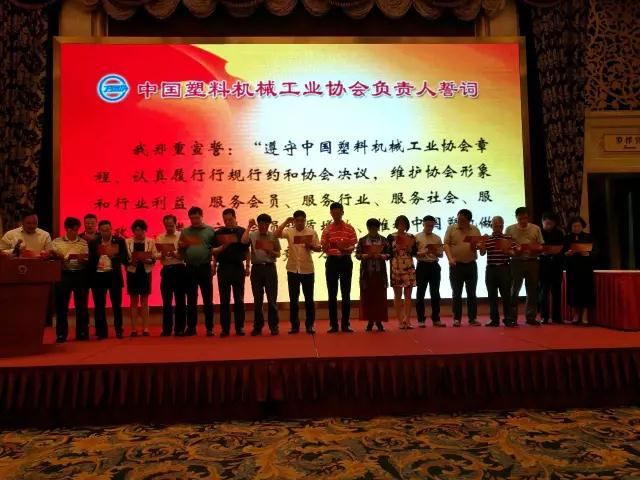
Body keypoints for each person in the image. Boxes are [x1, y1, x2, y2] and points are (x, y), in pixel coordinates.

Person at [275, 210, 321, 334]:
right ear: (294, 221)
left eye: (302, 220)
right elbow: (276, 234)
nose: (300, 223)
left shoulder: (311, 232)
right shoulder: (289, 231)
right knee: (293, 299)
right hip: (292, 269)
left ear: (305, 220)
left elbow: (319, 248)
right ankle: (294, 326)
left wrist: (311, 246)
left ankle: (310, 325)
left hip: (307, 270)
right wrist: (286, 221)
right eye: (297, 220)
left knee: (309, 299)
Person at [321, 202, 358, 333]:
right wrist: (326, 246)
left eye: (338, 212)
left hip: (345, 260)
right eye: (334, 212)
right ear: (331, 213)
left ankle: (345, 324)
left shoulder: (349, 228)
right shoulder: (327, 229)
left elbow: (353, 245)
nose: (336, 214)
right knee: (332, 294)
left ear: (342, 212)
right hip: (332, 261)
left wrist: (345, 249)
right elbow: (323, 247)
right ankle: (333, 325)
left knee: (346, 293)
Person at [242, 214, 281, 336]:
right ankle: (258, 326)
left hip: (270, 268)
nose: (263, 226)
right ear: (258, 224)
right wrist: (249, 227)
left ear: (269, 224)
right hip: (257, 269)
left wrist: (271, 251)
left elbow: (278, 254)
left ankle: (273, 326)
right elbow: (243, 241)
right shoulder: (253, 235)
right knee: (257, 300)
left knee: (272, 299)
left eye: (265, 224)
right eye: (261, 224)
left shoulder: (273, 236)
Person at [51, 217, 90, 343]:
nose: (75, 232)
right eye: (73, 230)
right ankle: (61, 334)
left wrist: (83, 259)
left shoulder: (83, 242)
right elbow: (52, 257)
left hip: (80, 274)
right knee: (62, 305)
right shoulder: (56, 242)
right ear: (66, 229)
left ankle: (82, 332)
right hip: (63, 274)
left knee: (81, 305)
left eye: (77, 230)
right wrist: (60, 258)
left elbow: (87, 258)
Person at [212, 208, 250, 337]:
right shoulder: (219, 233)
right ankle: (225, 328)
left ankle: (240, 327)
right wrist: (214, 266)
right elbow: (214, 252)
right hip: (223, 268)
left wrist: (248, 267)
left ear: (235, 218)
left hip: (238, 267)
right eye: (225, 220)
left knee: (239, 299)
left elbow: (246, 250)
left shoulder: (241, 231)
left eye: (230, 219)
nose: (228, 222)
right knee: (224, 300)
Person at [179, 207, 216, 336]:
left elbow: (214, 250)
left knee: (208, 298)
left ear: (201, 216)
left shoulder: (210, 230)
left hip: (205, 267)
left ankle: (209, 328)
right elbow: (181, 251)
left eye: (196, 217)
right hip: (190, 268)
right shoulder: (185, 232)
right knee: (191, 299)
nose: (194, 220)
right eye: (192, 218)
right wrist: (181, 247)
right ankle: (191, 327)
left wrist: (214, 265)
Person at [88, 219, 127, 339]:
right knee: (99, 305)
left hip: (113, 276)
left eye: (108, 230)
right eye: (103, 230)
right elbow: (90, 260)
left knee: (117, 305)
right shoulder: (94, 242)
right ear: (99, 231)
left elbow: (124, 258)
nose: (106, 232)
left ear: (111, 229)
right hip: (98, 276)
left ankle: (119, 330)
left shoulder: (119, 241)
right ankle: (101, 331)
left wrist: (113, 256)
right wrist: (98, 255)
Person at [506, 207, 545, 326]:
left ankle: (531, 316)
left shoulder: (536, 228)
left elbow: (541, 245)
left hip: (532, 261)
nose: (523, 221)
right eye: (520, 218)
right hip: (516, 262)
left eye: (525, 218)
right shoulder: (509, 229)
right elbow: (506, 247)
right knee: (514, 289)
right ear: (516, 217)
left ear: (528, 217)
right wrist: (514, 251)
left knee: (532, 290)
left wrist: (535, 248)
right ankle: (512, 317)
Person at [444, 209, 482, 327]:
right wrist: (450, 259)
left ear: (468, 220)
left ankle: (472, 318)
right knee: (456, 293)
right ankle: (457, 319)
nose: (459, 222)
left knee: (472, 293)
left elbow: (479, 247)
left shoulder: (475, 230)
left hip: (471, 264)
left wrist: (478, 245)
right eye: (458, 219)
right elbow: (446, 244)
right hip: (456, 265)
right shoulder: (451, 228)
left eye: (462, 220)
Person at [479, 216, 516, 327]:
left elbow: (514, 253)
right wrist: (482, 242)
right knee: (492, 296)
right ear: (491, 226)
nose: (498, 228)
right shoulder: (488, 239)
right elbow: (482, 253)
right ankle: (494, 319)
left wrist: (507, 251)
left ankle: (508, 319)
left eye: (500, 226)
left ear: (503, 226)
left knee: (506, 295)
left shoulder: (508, 238)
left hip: (504, 268)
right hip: (491, 269)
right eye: (496, 226)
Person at [355, 218, 390, 332]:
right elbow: (358, 255)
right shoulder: (363, 240)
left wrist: (381, 256)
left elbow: (389, 254)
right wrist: (367, 255)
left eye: (375, 228)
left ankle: (379, 321)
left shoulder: (384, 240)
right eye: (371, 228)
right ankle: (370, 321)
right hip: (367, 273)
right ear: (368, 228)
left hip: (380, 272)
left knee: (380, 297)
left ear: (378, 228)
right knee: (368, 297)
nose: (373, 230)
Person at [125, 219, 157, 337]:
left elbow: (155, 256)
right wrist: (130, 261)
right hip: (132, 272)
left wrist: (148, 259)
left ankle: (146, 328)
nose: (138, 232)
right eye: (136, 230)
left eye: (141, 230)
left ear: (145, 230)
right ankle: (134, 329)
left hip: (145, 272)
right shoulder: (127, 242)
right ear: (133, 231)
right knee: (133, 301)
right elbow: (124, 257)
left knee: (144, 300)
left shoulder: (151, 241)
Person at [156, 214, 186, 336]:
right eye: (167, 225)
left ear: (175, 224)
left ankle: (180, 328)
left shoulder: (181, 236)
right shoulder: (160, 237)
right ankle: (167, 329)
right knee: (166, 301)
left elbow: (184, 255)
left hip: (179, 269)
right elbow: (156, 255)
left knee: (180, 300)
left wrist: (174, 254)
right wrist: (162, 255)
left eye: (171, 225)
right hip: (167, 270)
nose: (169, 227)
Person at [387, 215, 417, 329]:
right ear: (396, 225)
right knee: (398, 294)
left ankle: (407, 319)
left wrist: (409, 248)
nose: (401, 226)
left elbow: (415, 252)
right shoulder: (391, 237)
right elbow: (388, 253)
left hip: (409, 266)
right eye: (399, 224)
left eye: (404, 224)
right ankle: (400, 320)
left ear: (407, 225)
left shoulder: (411, 237)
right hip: (396, 267)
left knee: (408, 295)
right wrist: (396, 248)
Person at [564, 216, 595, 325]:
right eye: (574, 226)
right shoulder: (567, 238)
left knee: (586, 291)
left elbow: (596, 251)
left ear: (582, 226)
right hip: (572, 268)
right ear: (571, 227)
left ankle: (585, 315)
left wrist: (588, 254)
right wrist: (567, 254)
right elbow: (562, 252)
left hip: (586, 268)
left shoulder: (589, 237)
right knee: (574, 291)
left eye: (578, 226)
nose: (576, 228)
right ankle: (576, 314)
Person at [414, 215, 444, 328]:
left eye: (432, 225)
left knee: (435, 293)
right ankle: (421, 319)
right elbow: (413, 253)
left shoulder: (437, 238)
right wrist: (423, 252)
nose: (430, 227)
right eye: (428, 225)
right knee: (420, 293)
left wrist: (434, 251)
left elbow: (441, 255)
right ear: (423, 224)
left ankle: (436, 319)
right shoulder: (416, 237)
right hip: (422, 266)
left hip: (434, 266)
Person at [538, 212, 565, 324]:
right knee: (544, 291)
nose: (548, 225)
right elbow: (536, 247)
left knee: (556, 292)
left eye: (551, 223)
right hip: (543, 266)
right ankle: (544, 316)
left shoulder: (559, 233)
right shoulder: (539, 232)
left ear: (554, 223)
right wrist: (542, 251)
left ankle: (556, 317)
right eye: (546, 223)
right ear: (542, 222)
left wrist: (554, 251)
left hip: (556, 265)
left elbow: (562, 247)